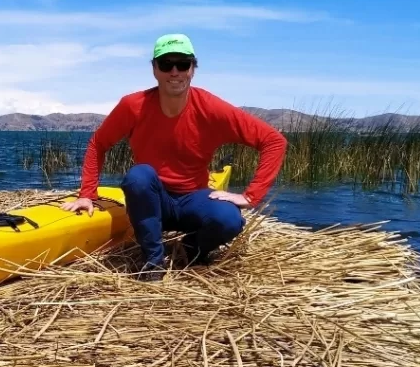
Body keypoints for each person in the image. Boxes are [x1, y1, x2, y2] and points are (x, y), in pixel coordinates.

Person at [60, 33, 287, 280]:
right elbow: (98, 143)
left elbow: (274, 141)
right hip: (153, 202)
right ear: (155, 69)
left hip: (193, 201)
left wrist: (250, 196)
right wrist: (87, 195)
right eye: (167, 64)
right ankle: (152, 263)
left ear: (193, 69)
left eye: (183, 64)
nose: (175, 72)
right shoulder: (133, 106)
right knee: (139, 177)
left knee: (229, 220)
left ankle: (192, 250)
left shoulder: (211, 108)